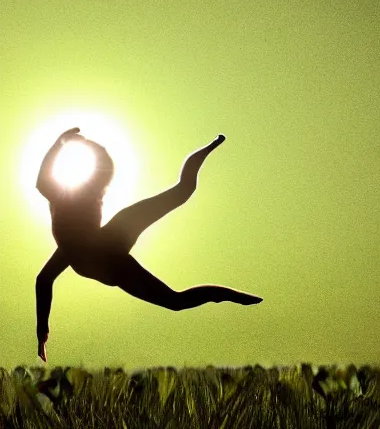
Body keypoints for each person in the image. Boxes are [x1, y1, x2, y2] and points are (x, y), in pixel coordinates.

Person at [35, 128, 263, 362]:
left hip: (111, 240)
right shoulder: (65, 227)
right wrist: (60, 143)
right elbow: (44, 280)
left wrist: (71, 144)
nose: (96, 203)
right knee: (176, 301)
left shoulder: (70, 240)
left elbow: (44, 280)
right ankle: (225, 294)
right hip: (107, 255)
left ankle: (212, 145)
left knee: (182, 192)